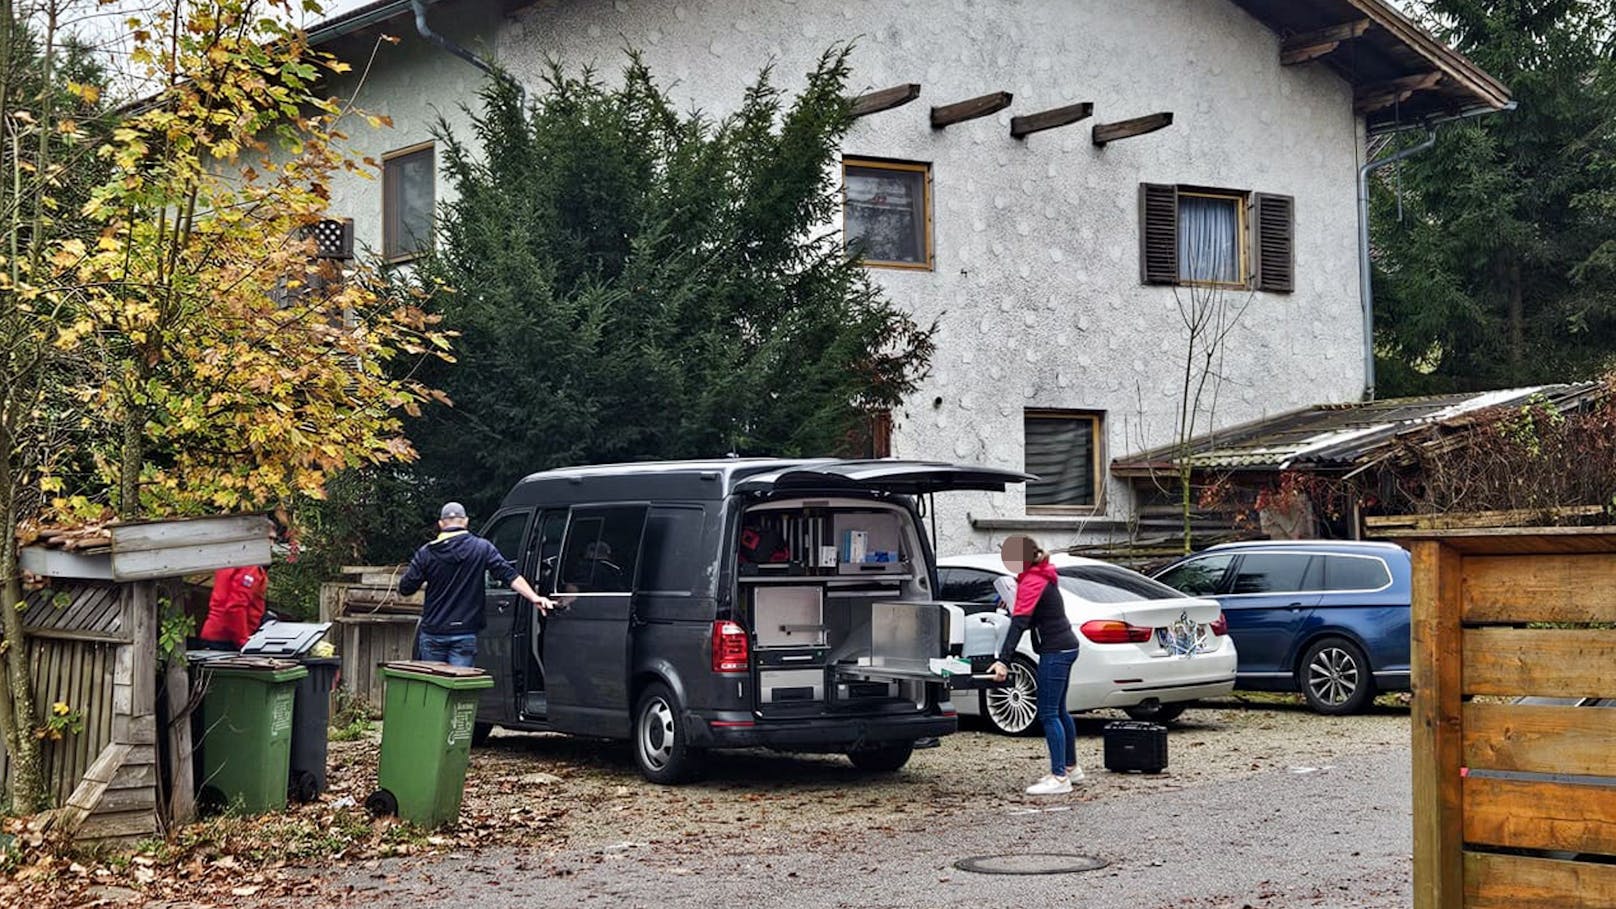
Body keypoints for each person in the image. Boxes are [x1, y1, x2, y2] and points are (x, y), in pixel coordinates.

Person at [399, 502, 554, 667]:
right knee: (460, 688)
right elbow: (509, 575)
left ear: (441, 524)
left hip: (433, 632)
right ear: (465, 521)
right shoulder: (482, 548)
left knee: (434, 689)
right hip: (465, 633)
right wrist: (534, 597)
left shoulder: (427, 553)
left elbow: (406, 588)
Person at [988, 534, 1083, 795]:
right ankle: (1071, 768)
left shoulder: (1032, 581)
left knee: (1048, 714)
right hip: (1065, 646)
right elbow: (1032, 617)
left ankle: (1059, 777)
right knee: (1060, 711)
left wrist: (1002, 662)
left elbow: (1019, 623)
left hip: (1056, 650)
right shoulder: (1043, 576)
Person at [197, 564, 269, 650]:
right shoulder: (250, 567)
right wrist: (243, 642)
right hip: (229, 639)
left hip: (216, 634)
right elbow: (236, 606)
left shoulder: (229, 562)